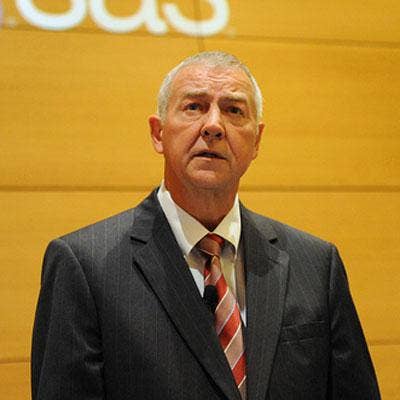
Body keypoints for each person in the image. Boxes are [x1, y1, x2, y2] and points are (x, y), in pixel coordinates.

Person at [31, 51, 380, 400]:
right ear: (158, 133)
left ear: (257, 141)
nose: (213, 125)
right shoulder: (85, 267)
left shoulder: (316, 264)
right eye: (194, 107)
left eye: (234, 110)